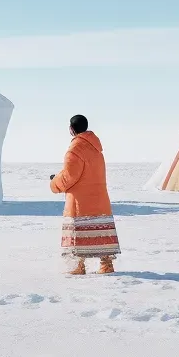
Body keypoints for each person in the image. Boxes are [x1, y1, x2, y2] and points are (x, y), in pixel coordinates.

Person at [49, 114, 120, 275]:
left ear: (71, 129)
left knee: (78, 232)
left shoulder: (75, 150)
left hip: (80, 202)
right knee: (100, 231)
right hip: (100, 199)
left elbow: (69, 176)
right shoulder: (96, 149)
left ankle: (78, 266)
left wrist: (54, 183)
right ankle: (106, 264)